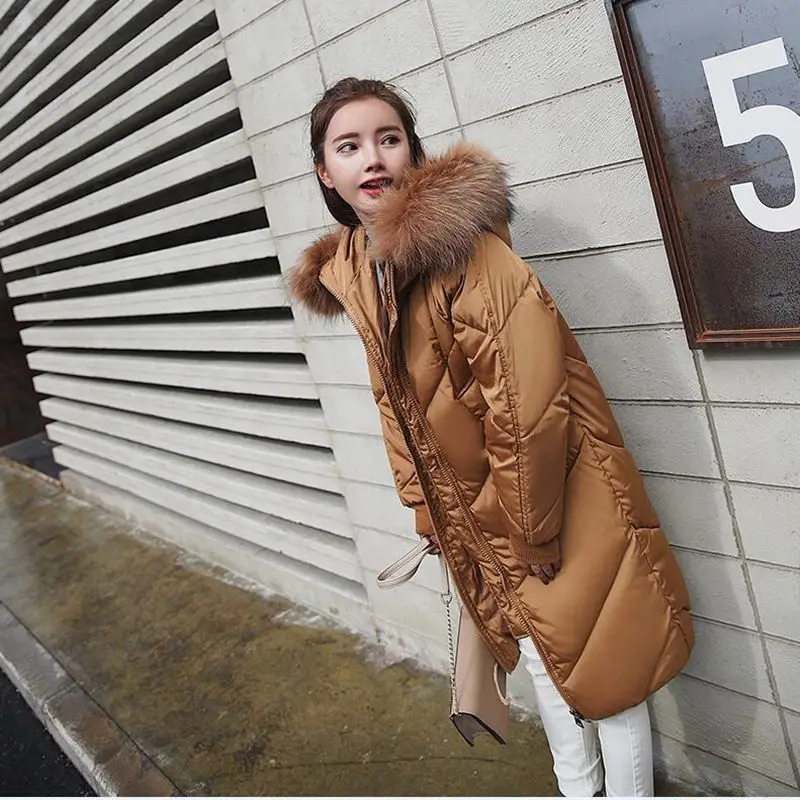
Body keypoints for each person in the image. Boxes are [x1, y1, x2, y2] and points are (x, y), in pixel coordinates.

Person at [289, 77, 694, 797]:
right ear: (325, 171)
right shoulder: (362, 273)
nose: (372, 158)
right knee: (542, 657)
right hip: (483, 520)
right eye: (349, 146)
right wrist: (428, 511)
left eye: (389, 138)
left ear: (413, 150)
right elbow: (395, 407)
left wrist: (531, 530)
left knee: (608, 672)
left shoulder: (464, 253)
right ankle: (577, 789)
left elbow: (526, 403)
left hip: (556, 501)